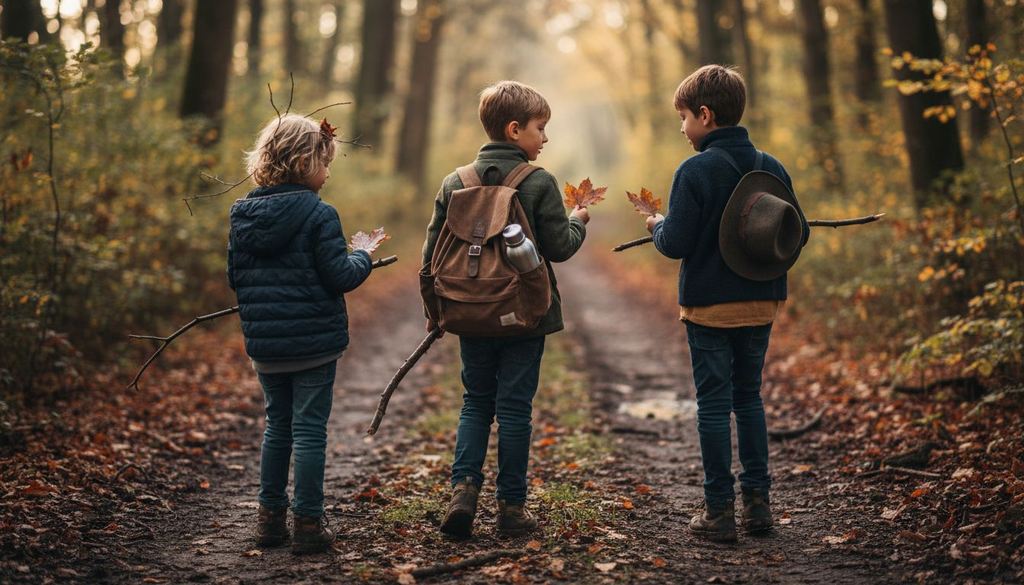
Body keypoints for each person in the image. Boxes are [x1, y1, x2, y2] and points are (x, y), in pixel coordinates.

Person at [645, 65, 810, 543]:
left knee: (713, 405)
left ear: (705, 114)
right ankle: (759, 503)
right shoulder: (770, 166)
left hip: (709, 308)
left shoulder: (694, 170)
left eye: (683, 118)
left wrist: (656, 226)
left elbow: (675, 243)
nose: (681, 128)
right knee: (749, 398)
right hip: (761, 303)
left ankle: (718, 511)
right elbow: (796, 234)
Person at [422, 80, 589, 538]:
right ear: (515, 130)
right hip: (524, 315)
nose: (546, 138)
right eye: (540, 128)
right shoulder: (538, 182)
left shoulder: (455, 181)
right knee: (515, 409)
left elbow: (431, 252)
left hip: (470, 312)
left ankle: (462, 491)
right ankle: (511, 508)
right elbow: (560, 247)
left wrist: (435, 309)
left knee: (475, 402)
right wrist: (578, 222)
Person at [227, 114, 377, 554]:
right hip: (314, 346)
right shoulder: (319, 213)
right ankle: (309, 524)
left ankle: (269, 521)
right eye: (325, 163)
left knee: (277, 427)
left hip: (266, 346)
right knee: (310, 430)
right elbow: (338, 277)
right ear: (303, 161)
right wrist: (363, 256)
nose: (329, 172)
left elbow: (235, 279)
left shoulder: (242, 214)